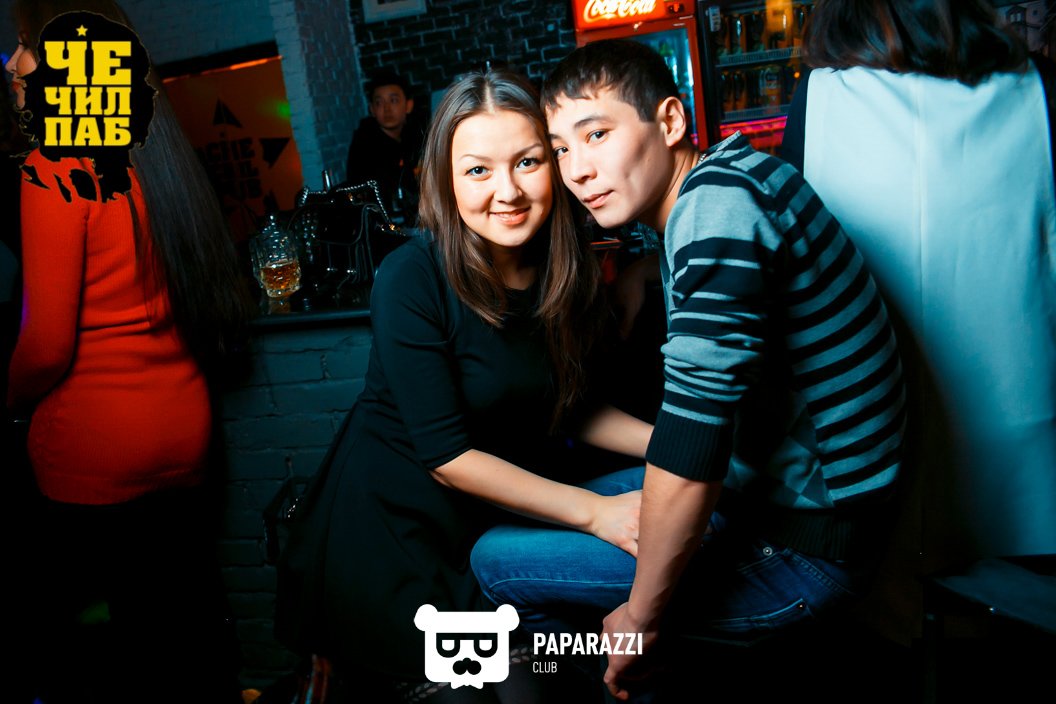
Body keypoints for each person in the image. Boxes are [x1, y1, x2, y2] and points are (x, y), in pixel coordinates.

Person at [470, 39, 907, 701]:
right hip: (788, 504)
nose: (577, 171)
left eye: (597, 134)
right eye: (559, 149)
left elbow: (695, 438)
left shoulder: (715, 210)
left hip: (806, 546)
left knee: (495, 563)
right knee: (569, 505)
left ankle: (631, 672)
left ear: (670, 122)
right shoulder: (731, 181)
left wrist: (642, 619)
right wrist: (646, 271)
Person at [277, 69, 654, 703]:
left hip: (491, 533)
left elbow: (571, 406)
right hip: (397, 543)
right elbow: (447, 457)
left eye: (527, 162)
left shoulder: (563, 269)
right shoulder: (411, 277)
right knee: (493, 691)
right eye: (478, 170)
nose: (508, 191)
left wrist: (679, 444)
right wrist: (598, 514)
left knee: (553, 683)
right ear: (446, 182)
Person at [779, 0, 1056, 629]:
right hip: (1026, 444)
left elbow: (793, 273)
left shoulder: (818, 98)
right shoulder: (1037, 88)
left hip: (874, 445)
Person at [6, 1, 250, 702]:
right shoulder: (157, 156)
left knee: (114, 660)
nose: (14, 62)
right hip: (185, 433)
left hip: (98, 452)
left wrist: (8, 397)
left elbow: (46, 346)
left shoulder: (54, 167)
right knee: (187, 637)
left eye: (24, 43)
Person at [345, 69, 426, 220]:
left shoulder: (416, 134)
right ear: (372, 109)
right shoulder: (365, 144)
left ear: (408, 105)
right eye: (379, 103)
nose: (387, 109)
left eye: (393, 100)